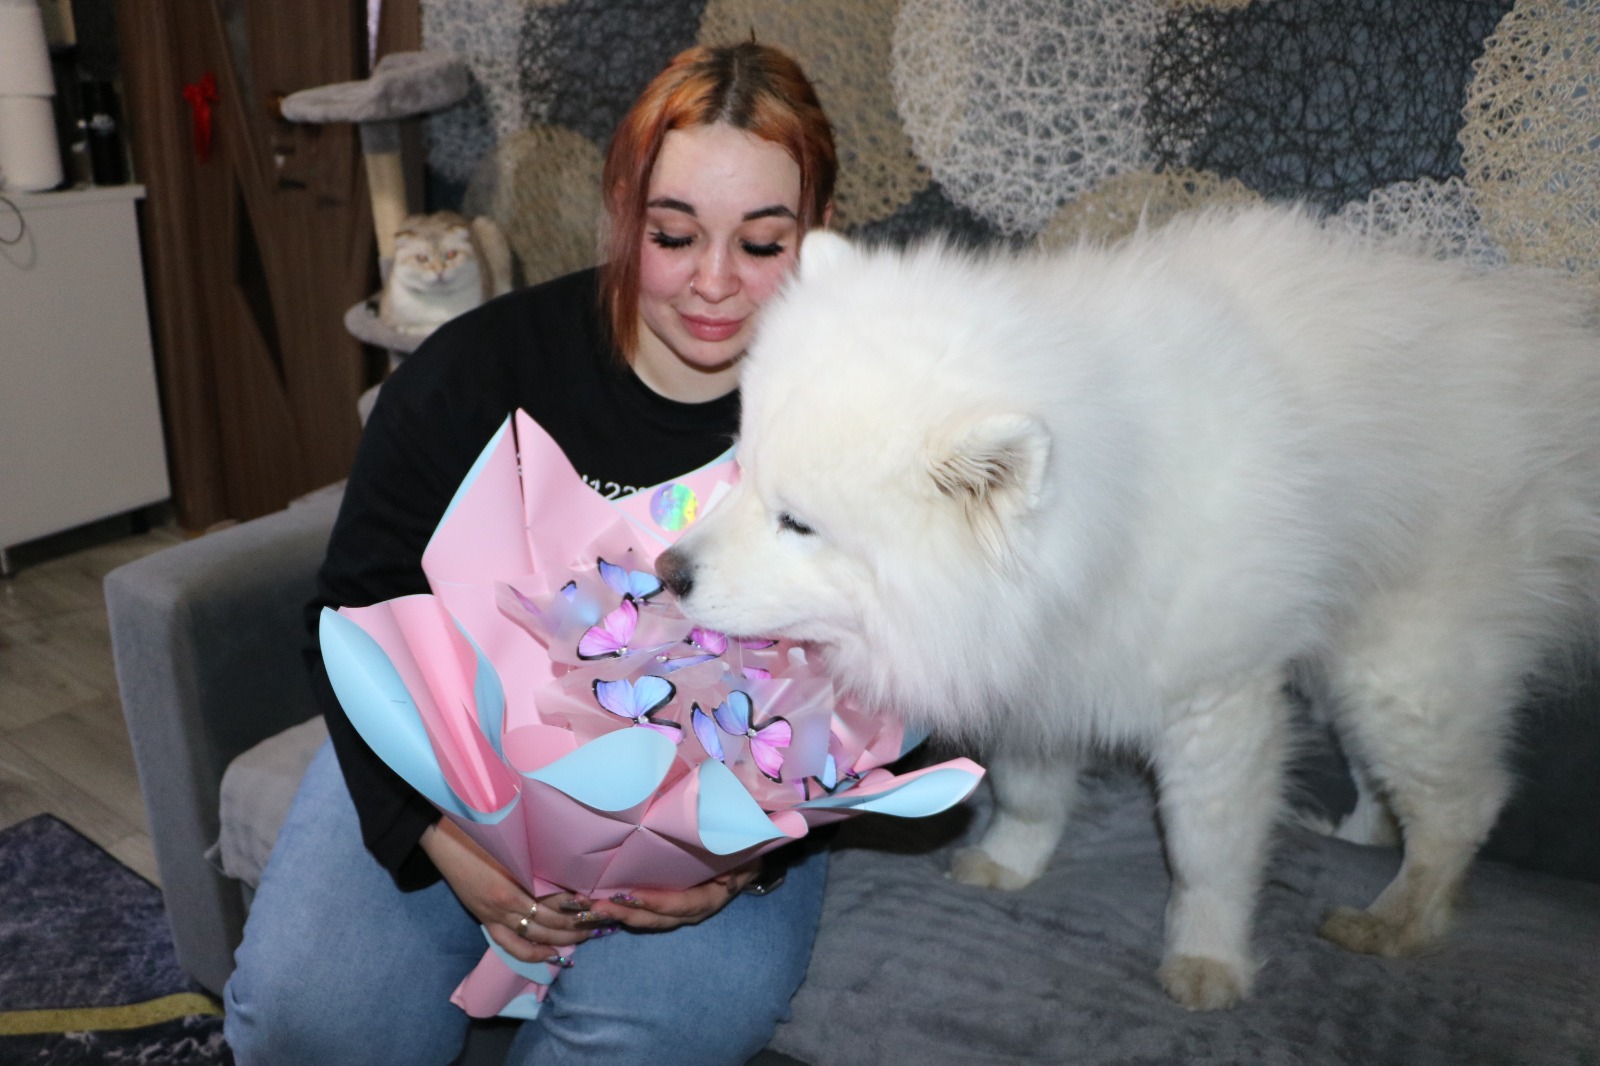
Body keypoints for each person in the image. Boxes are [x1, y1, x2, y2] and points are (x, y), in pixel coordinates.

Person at [224, 41, 837, 1066]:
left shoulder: (856, 409)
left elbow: (906, 658)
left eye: (764, 243)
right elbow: (353, 605)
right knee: (313, 1018)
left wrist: (743, 863)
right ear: (623, 213)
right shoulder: (480, 370)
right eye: (674, 235)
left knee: (649, 1034)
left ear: (820, 233)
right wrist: (434, 831)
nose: (714, 282)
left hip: (727, 793)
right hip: (440, 754)